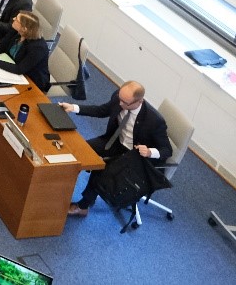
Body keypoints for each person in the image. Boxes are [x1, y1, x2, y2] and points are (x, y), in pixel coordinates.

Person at [63, 81, 173, 219]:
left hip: (135, 157)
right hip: (115, 142)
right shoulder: (120, 97)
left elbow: (167, 150)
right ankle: (61, 189)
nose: (120, 104)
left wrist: (150, 151)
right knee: (80, 151)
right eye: (120, 99)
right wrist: (73, 107)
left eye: (125, 103)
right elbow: (102, 110)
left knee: (100, 168)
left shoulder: (154, 121)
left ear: (139, 101)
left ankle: (83, 206)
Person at [0, 11, 50, 90]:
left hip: (31, 81)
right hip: (11, 66)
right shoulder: (16, 30)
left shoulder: (38, 47)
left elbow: (20, 69)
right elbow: (3, 44)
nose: (13, 19)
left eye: (16, 19)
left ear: (24, 29)